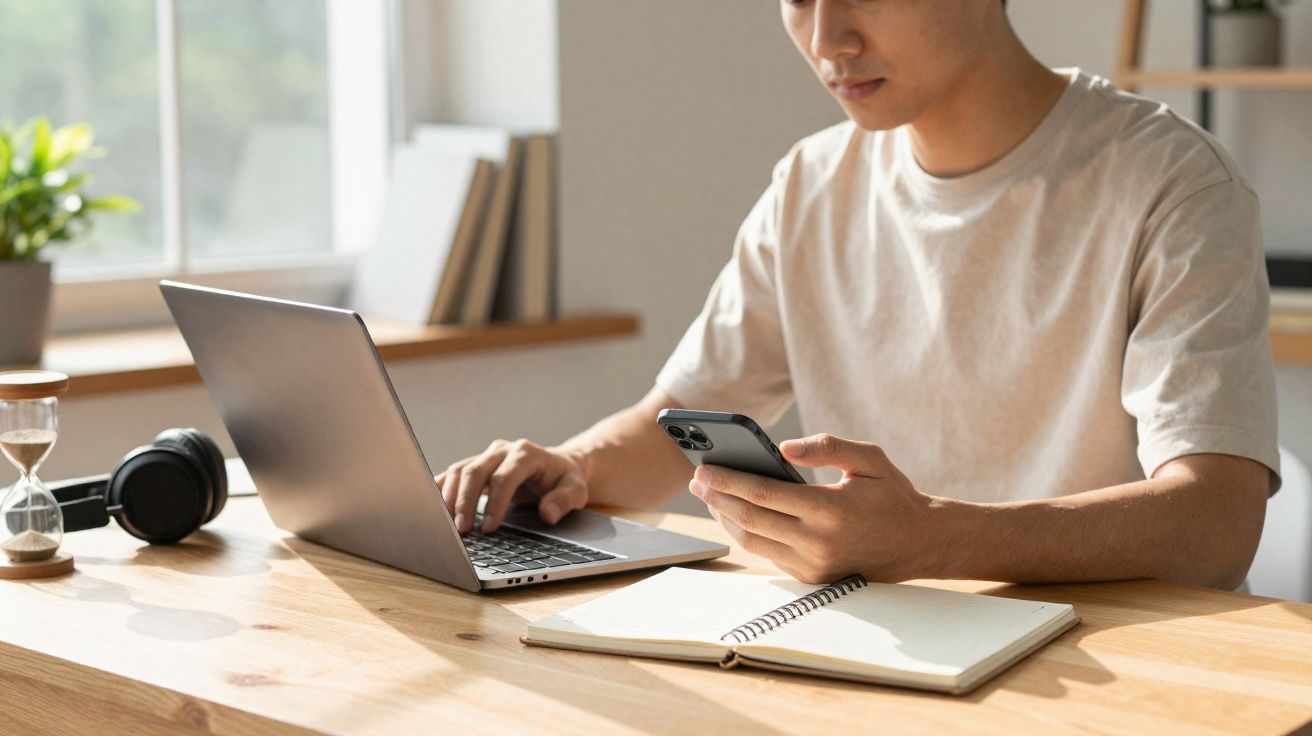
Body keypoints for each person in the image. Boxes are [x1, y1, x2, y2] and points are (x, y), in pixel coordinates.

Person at [438, 0, 1280, 590]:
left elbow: (1216, 525)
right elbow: (680, 419)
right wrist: (568, 468)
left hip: (1117, 671)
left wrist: (932, 539)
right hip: (889, 648)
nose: (828, 38)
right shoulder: (811, 182)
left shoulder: (1173, 183)